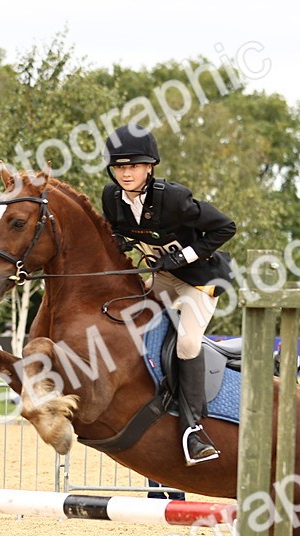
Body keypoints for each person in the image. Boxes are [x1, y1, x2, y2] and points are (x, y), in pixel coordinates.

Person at [101, 123, 236, 466]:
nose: (126, 173)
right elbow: (116, 232)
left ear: (149, 167)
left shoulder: (173, 198)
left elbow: (225, 227)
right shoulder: (111, 198)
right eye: (120, 166)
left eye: (133, 165)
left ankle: (194, 429)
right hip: (161, 279)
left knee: (188, 343)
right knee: (128, 326)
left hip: (198, 281)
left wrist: (184, 255)